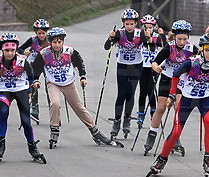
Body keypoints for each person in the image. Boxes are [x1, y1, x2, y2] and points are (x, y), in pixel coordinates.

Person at [146, 33, 209, 177]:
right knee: (177, 131)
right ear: (202, 49)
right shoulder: (191, 62)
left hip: (205, 98)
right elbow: (176, 74)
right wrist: (172, 94)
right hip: (187, 98)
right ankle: (161, 160)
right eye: (207, 50)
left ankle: (208, 161)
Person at [32, 27, 123, 149]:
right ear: (50, 42)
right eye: (54, 42)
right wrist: (36, 79)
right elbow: (36, 67)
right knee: (54, 103)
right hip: (53, 82)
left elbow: (79, 62)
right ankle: (54, 130)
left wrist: (83, 77)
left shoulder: (69, 51)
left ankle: (95, 131)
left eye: (59, 42)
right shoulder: (44, 53)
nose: (57, 45)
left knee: (79, 107)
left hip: (68, 82)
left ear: (63, 41)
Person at [143, 20, 198, 155]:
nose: (182, 42)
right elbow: (155, 62)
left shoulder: (192, 49)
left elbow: (199, 61)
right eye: (179, 39)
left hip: (181, 82)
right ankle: (152, 134)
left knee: (178, 107)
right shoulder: (169, 48)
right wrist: (156, 68)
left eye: (185, 39)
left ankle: (176, 137)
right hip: (167, 78)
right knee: (161, 107)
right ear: (174, 37)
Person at [0, 33, 46, 163]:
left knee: (26, 121)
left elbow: (31, 74)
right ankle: (1, 144)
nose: (9, 53)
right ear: (2, 50)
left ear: (16, 50)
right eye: (6, 50)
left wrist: (31, 88)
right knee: (2, 112)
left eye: (12, 50)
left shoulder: (22, 60)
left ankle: (32, 147)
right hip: (4, 90)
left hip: (20, 89)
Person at [104, 9, 142, 139]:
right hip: (122, 66)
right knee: (121, 94)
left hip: (136, 66)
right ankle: (117, 121)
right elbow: (106, 47)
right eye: (127, 24)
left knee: (130, 94)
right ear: (123, 24)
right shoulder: (119, 34)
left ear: (136, 23)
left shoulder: (140, 33)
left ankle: (127, 120)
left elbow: (152, 47)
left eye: (132, 24)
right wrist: (110, 38)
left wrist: (149, 38)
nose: (129, 26)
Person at [136, 14, 167, 128]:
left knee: (152, 91)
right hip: (142, 66)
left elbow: (163, 46)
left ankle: (153, 114)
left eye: (150, 27)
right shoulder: (140, 36)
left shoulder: (156, 37)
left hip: (153, 67)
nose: (148, 30)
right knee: (142, 91)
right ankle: (140, 114)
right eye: (146, 27)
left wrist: (162, 35)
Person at [17, 19, 50, 124]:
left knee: (49, 86)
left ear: (46, 32)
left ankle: (53, 109)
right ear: (36, 32)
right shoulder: (32, 40)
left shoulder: (50, 41)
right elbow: (19, 49)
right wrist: (24, 52)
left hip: (47, 65)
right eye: (39, 33)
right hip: (34, 65)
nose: (41, 35)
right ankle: (35, 108)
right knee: (34, 85)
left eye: (43, 33)